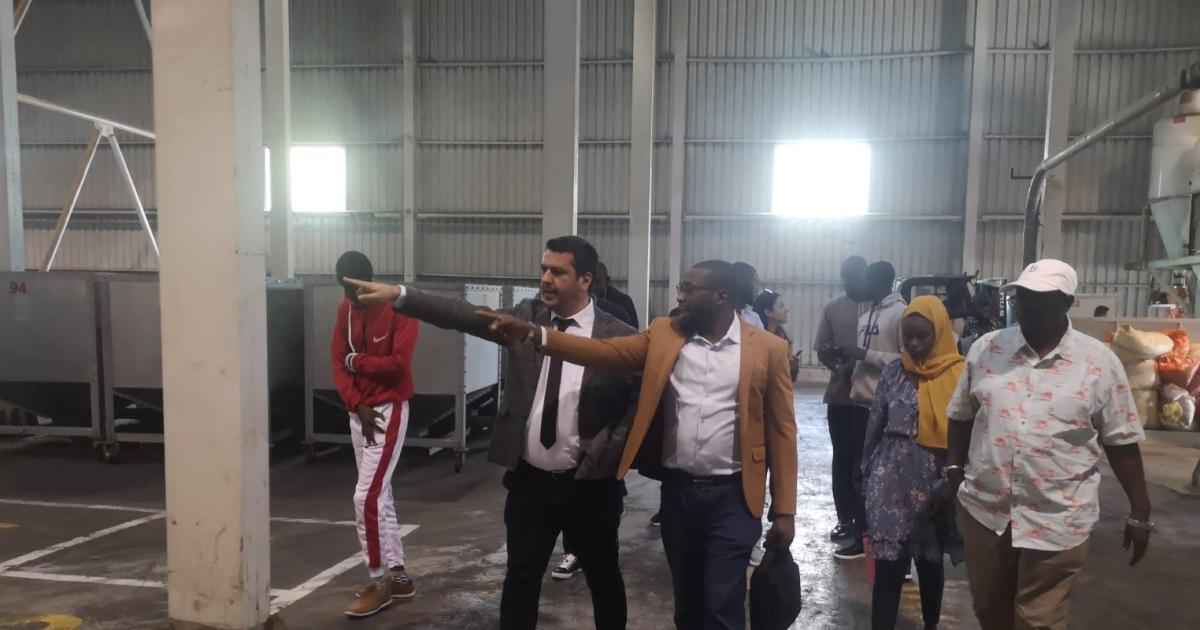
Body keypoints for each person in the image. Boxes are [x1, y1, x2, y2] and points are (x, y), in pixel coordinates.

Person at [479, 260, 798, 630]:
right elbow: (606, 353)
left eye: (689, 288)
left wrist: (785, 510)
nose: (680, 296)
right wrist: (538, 336)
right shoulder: (666, 333)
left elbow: (782, 431)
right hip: (678, 495)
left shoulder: (768, 348)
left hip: (734, 496)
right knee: (687, 602)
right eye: (681, 287)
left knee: (722, 602)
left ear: (720, 296)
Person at [346, 236, 637, 630]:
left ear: (585, 279)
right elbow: (464, 315)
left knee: (604, 579)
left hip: (590, 486)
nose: (545, 279)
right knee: (520, 580)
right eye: (543, 269)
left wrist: (609, 452)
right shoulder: (525, 318)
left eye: (558, 271)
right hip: (530, 484)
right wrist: (401, 295)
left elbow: (637, 399)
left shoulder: (617, 334)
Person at [946, 259, 1152, 630]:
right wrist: (954, 468)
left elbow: (1121, 440)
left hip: (1058, 516)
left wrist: (1140, 511)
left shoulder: (1098, 362)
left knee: (1037, 619)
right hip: (987, 512)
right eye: (1022, 298)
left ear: (1067, 302)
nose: (1027, 308)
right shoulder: (987, 349)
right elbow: (960, 414)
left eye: (1040, 300)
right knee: (989, 610)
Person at [862, 296, 962, 630]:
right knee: (888, 564)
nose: (914, 343)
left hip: (936, 480)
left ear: (940, 333)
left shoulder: (959, 374)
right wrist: (865, 471)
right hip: (890, 477)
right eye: (908, 337)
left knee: (929, 561)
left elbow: (965, 434)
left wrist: (949, 485)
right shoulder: (893, 372)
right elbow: (876, 421)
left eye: (923, 336)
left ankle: (930, 624)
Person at [331, 251, 421, 618]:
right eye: (344, 290)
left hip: (388, 411)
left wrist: (357, 362)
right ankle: (398, 575)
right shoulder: (345, 310)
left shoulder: (400, 309)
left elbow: (398, 365)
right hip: (360, 412)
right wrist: (356, 403)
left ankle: (377, 580)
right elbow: (337, 362)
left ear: (368, 280)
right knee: (380, 494)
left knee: (365, 497)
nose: (351, 297)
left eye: (355, 289)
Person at [837, 260, 906, 560]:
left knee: (885, 476)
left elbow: (905, 359)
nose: (859, 285)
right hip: (860, 403)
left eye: (865, 279)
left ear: (880, 282)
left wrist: (866, 354)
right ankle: (863, 537)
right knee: (859, 473)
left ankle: (887, 537)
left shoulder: (901, 314)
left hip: (886, 407)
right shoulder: (865, 316)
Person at [815, 255, 868, 544]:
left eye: (857, 278)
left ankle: (867, 520)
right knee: (843, 458)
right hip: (841, 398)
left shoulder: (880, 308)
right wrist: (838, 368)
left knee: (867, 461)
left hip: (872, 401)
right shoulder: (833, 309)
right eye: (847, 279)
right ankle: (845, 519)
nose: (852, 284)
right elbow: (822, 348)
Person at [753, 289, 799, 382]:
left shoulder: (784, 337)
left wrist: (791, 359)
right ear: (768, 312)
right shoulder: (756, 340)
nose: (786, 310)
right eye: (780, 306)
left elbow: (791, 377)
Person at [593, 262, 639, 328]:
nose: (593, 286)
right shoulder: (582, 300)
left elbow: (634, 330)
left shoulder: (624, 302)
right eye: (591, 282)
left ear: (607, 281)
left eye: (598, 282)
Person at [732, 261, 764, 328]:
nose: (757, 289)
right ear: (743, 281)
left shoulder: (754, 317)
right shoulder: (719, 315)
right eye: (755, 282)